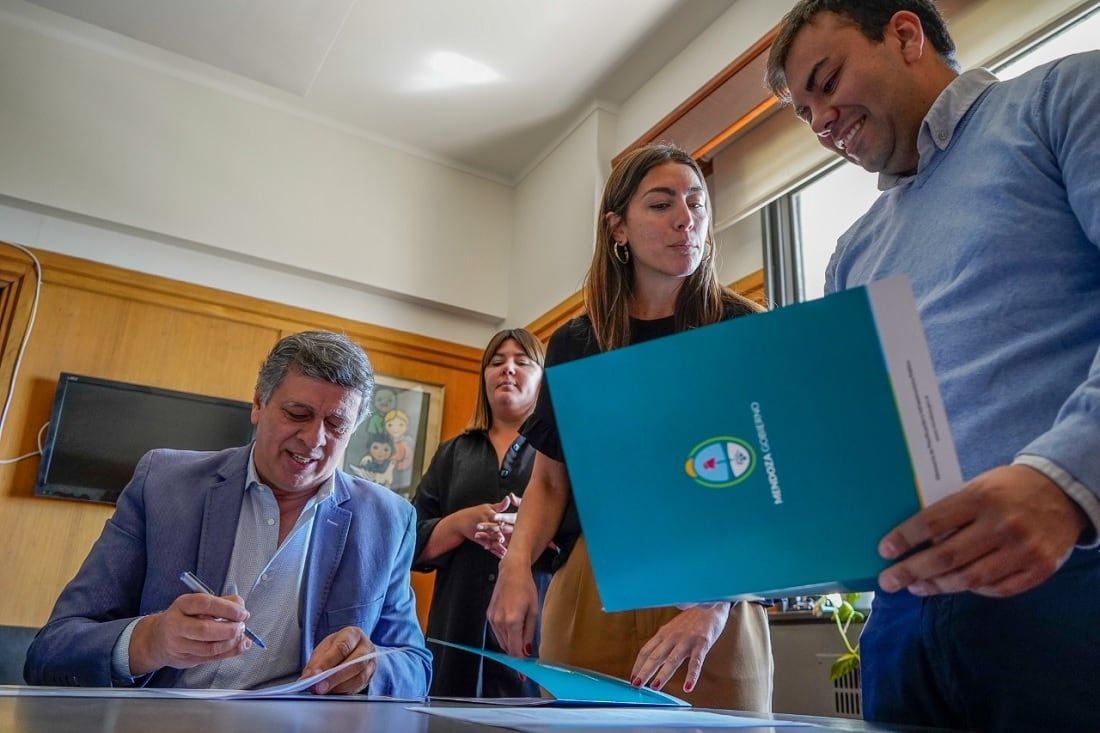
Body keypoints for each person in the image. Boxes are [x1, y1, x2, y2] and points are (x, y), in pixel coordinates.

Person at [765, 2, 1100, 730]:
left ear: (906, 33)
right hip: (900, 617)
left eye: (825, 81)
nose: (820, 121)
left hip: (1065, 576)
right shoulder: (850, 254)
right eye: (805, 112)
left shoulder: (1062, 100)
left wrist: (1066, 479)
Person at [488, 143, 773, 710]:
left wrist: (715, 603)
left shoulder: (743, 328)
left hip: (716, 587)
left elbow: (771, 485)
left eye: (696, 203)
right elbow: (548, 482)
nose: (685, 219)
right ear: (617, 228)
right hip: (593, 584)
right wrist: (515, 567)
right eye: (661, 204)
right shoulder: (576, 342)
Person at [24, 331, 431, 696]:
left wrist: (370, 667)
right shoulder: (163, 484)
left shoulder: (388, 519)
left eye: (336, 424)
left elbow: (415, 665)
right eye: (297, 414)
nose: (313, 439)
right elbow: (51, 651)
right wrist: (150, 641)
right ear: (258, 403)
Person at [412, 328, 553, 697]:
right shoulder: (451, 453)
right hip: (455, 635)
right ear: (484, 378)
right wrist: (459, 524)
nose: (508, 369)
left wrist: (533, 530)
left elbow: (585, 542)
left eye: (522, 362)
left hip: (537, 638)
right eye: (496, 362)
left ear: (543, 380)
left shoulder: (560, 456)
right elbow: (408, 545)